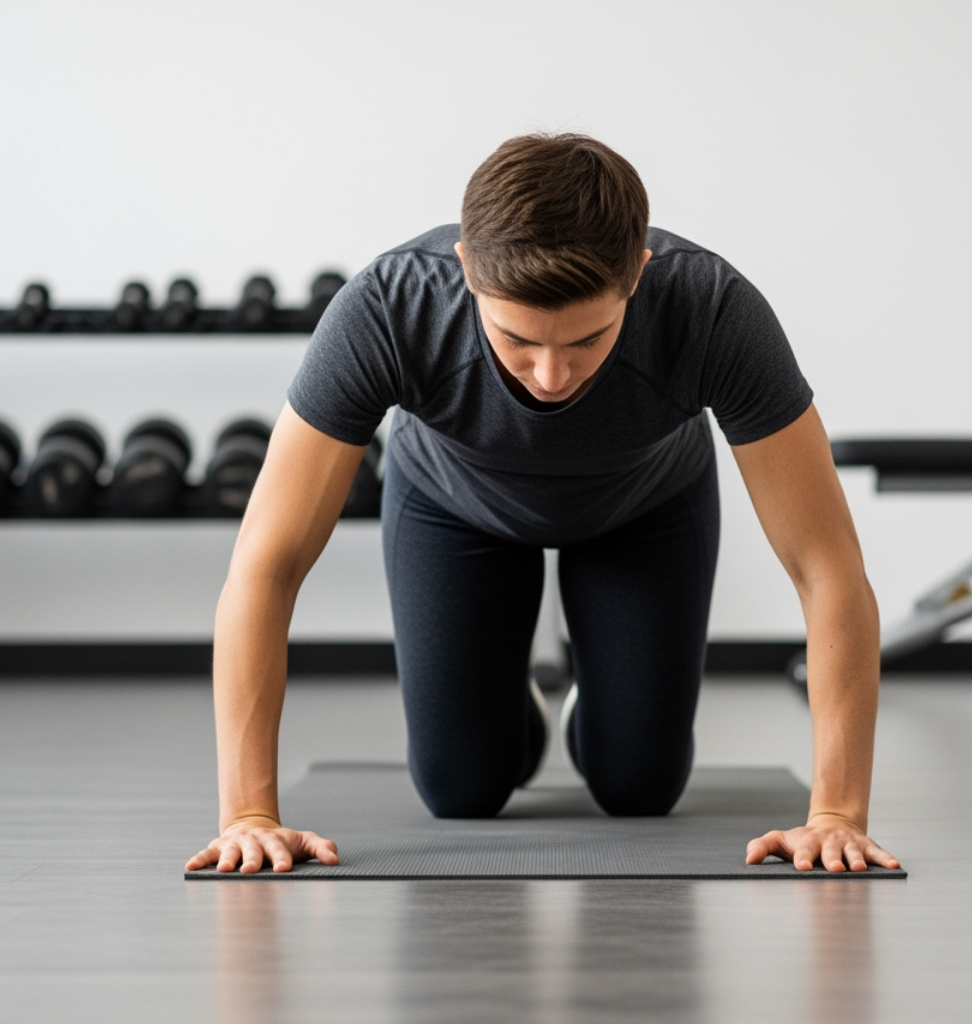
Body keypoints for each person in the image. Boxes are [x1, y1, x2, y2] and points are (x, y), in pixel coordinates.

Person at [186, 133, 900, 875]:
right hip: (453, 506)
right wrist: (247, 815)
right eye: (517, 339)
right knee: (461, 789)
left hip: (644, 508)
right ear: (467, 269)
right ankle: (508, 692)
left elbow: (827, 567)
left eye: (587, 340)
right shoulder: (390, 307)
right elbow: (266, 565)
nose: (551, 375)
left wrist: (837, 816)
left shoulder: (711, 307)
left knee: (640, 787)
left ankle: (593, 695)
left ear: (638, 274)